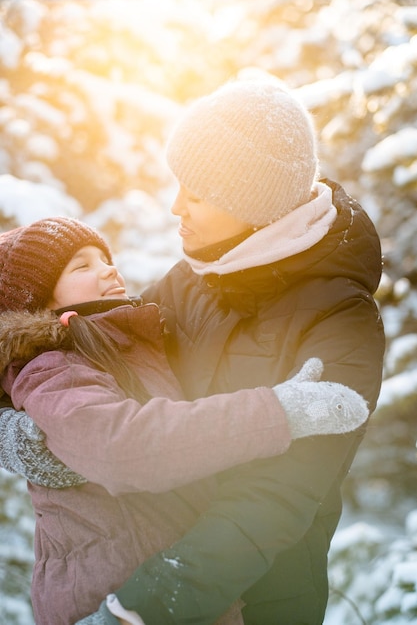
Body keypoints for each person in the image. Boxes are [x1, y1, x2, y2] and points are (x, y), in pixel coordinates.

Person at [74, 76, 385, 625]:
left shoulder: (342, 320)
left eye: (196, 193)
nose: (175, 207)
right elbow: (100, 369)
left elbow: (278, 494)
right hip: (154, 568)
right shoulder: (194, 276)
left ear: (254, 203)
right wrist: (18, 420)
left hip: (262, 602)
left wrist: (150, 602)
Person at [0, 216, 368, 625]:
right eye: (82, 266)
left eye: (105, 258)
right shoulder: (55, 367)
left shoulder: (124, 342)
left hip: (178, 597)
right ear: (38, 303)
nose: (108, 269)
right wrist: (277, 411)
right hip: (111, 602)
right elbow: (126, 447)